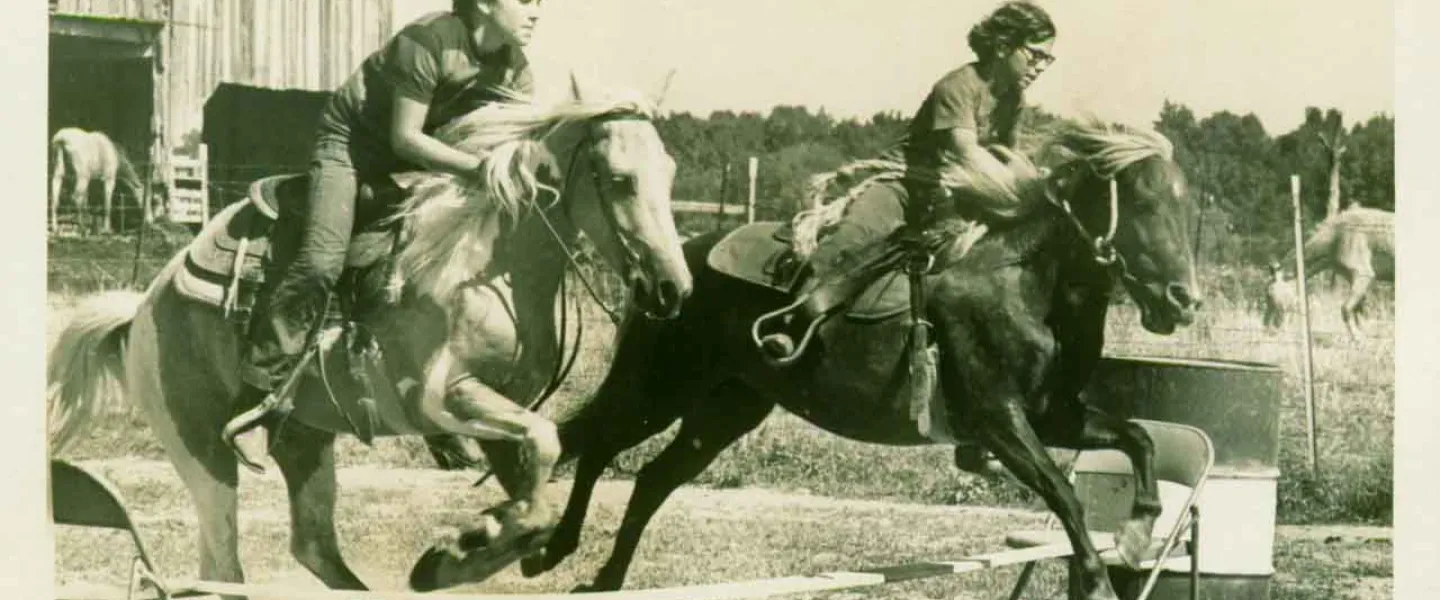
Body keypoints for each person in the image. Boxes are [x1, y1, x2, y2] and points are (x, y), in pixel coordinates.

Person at [223, 0, 543, 471]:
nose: (536, 12)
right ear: (483, 3)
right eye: (525, 0)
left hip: (418, 165)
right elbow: (406, 138)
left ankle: (436, 406)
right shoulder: (428, 41)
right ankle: (255, 402)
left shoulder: (515, 66)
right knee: (322, 261)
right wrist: (479, 169)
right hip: (350, 149)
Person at [759, 1, 1057, 475]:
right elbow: (966, 153)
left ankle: (981, 419)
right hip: (904, 187)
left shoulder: (1012, 100)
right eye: (1036, 54)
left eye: (1048, 59)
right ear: (1004, 46)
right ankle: (790, 321)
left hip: (956, 197)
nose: (1041, 65)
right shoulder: (958, 87)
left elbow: (1006, 155)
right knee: (849, 243)